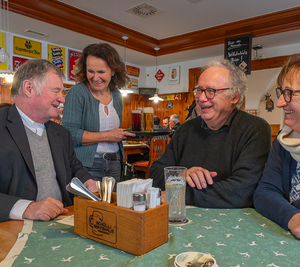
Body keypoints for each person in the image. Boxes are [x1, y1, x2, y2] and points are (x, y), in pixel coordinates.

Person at [149, 58, 271, 208]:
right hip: (184, 219)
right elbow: (154, 172)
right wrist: (180, 176)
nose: (200, 98)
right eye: (199, 90)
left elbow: (242, 191)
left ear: (235, 96)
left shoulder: (255, 129)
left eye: (210, 91)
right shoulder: (185, 130)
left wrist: (181, 193)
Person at [0, 59, 96, 223]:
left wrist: (87, 180)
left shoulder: (61, 133)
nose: (62, 99)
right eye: (56, 91)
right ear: (29, 89)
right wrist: (27, 208)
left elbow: (75, 168)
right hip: (13, 229)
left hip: (62, 220)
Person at [62, 43, 135, 182]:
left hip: (115, 163)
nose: (95, 78)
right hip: (86, 166)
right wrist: (107, 136)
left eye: (101, 72)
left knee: (113, 203)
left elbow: (115, 134)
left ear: (113, 71)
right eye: (91, 71)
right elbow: (69, 133)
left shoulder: (117, 95)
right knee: (89, 204)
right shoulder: (77, 92)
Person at [254, 54, 300, 239]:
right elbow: (264, 192)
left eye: (289, 93)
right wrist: (292, 216)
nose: (280, 102)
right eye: (281, 93)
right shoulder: (283, 142)